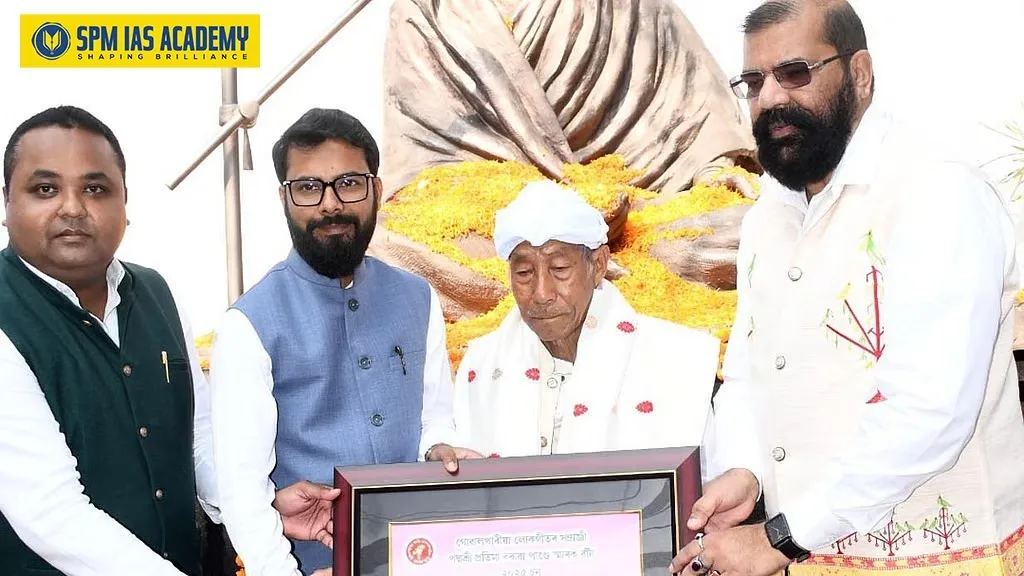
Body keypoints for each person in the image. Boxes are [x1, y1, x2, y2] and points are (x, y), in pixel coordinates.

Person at [670, 2, 1024, 575]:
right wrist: (746, 470)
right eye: (754, 82)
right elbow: (748, 372)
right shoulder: (768, 213)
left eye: (795, 73)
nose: (771, 100)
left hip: (940, 559)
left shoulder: (936, 191)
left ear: (859, 73)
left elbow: (927, 412)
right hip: (810, 557)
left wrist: (778, 539)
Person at [0, 106, 339, 576]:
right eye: (45, 189)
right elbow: (50, 513)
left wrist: (258, 512)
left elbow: (197, 438)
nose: (73, 207)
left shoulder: (155, 292)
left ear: (124, 203)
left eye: (95, 189)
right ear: (6, 202)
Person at [210, 108, 481, 576]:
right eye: (308, 187)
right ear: (285, 199)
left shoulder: (417, 297)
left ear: (376, 190)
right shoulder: (247, 325)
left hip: (418, 555)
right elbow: (242, 488)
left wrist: (440, 447)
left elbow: (436, 418)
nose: (330, 204)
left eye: (349, 183)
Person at [453, 180, 760, 470]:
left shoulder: (678, 359)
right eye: (523, 273)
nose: (542, 294)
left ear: (598, 265)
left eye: (559, 269)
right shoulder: (480, 367)